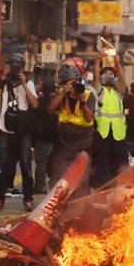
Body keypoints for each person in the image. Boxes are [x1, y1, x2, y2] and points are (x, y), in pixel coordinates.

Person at [0, 53, 39, 205]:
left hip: (23, 131)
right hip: (4, 129)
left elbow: (35, 104)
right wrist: (1, 78)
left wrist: (24, 84)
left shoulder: (29, 83)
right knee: (2, 167)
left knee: (26, 166)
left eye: (18, 66)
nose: (15, 69)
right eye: (12, 66)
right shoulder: (3, 83)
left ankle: (28, 199)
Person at [46, 62, 96, 197]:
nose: (73, 86)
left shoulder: (87, 95)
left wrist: (81, 101)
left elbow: (89, 118)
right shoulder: (61, 94)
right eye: (69, 83)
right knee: (57, 171)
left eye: (75, 83)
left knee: (84, 175)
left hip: (84, 141)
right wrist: (63, 92)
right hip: (64, 141)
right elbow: (51, 109)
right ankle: (57, 200)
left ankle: (81, 204)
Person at [90, 65, 130, 190]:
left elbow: (123, 79)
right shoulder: (99, 92)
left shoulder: (118, 92)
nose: (108, 75)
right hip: (102, 134)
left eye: (111, 73)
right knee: (103, 165)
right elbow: (96, 78)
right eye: (105, 73)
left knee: (121, 164)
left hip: (118, 134)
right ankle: (103, 190)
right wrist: (97, 60)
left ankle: (121, 188)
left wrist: (118, 63)